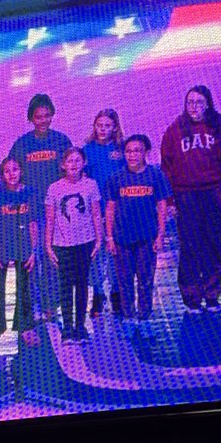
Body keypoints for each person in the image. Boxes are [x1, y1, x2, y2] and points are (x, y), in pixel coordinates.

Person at [160, 85, 221, 314]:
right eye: (190, 103)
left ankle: (212, 295)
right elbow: (166, 167)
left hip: (214, 191)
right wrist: (170, 200)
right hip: (186, 195)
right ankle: (191, 297)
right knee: (189, 246)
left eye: (198, 102)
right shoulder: (175, 130)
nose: (194, 107)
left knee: (214, 244)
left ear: (208, 103)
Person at [9, 93, 71, 320]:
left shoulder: (62, 141)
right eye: (38, 117)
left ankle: (51, 305)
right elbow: (11, 177)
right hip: (30, 213)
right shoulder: (22, 145)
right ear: (31, 118)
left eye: (47, 116)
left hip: (55, 212)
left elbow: (72, 173)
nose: (43, 120)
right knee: (30, 258)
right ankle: (33, 304)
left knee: (52, 259)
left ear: (52, 115)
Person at [105, 135, 171, 336]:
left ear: (145, 153)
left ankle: (144, 318)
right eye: (129, 151)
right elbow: (110, 209)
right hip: (122, 239)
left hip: (147, 238)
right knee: (125, 281)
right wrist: (109, 237)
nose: (132, 155)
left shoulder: (156, 175)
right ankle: (128, 317)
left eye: (137, 151)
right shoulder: (116, 179)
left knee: (145, 280)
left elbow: (162, 206)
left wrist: (160, 235)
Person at [45, 147, 103, 341]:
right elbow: (50, 218)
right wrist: (48, 244)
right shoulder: (54, 188)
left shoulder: (91, 185)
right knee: (65, 285)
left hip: (85, 242)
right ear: (63, 165)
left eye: (77, 160)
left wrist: (99, 239)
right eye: (70, 161)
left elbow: (95, 213)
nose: (73, 164)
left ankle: (80, 326)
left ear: (83, 163)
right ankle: (67, 327)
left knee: (82, 284)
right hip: (62, 245)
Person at [0, 157, 41, 352]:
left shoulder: (30, 194)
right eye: (7, 171)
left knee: (24, 288)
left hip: (24, 248)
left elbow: (33, 224)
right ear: (2, 175)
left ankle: (25, 327)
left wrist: (34, 252)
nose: (12, 174)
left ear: (21, 171)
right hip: (1, 249)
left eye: (15, 169)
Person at [84, 109, 125, 316]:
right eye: (99, 125)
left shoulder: (122, 149)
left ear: (115, 127)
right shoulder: (87, 150)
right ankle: (98, 296)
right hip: (95, 213)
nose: (103, 129)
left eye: (107, 126)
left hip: (118, 211)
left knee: (115, 254)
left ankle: (117, 295)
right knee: (96, 256)